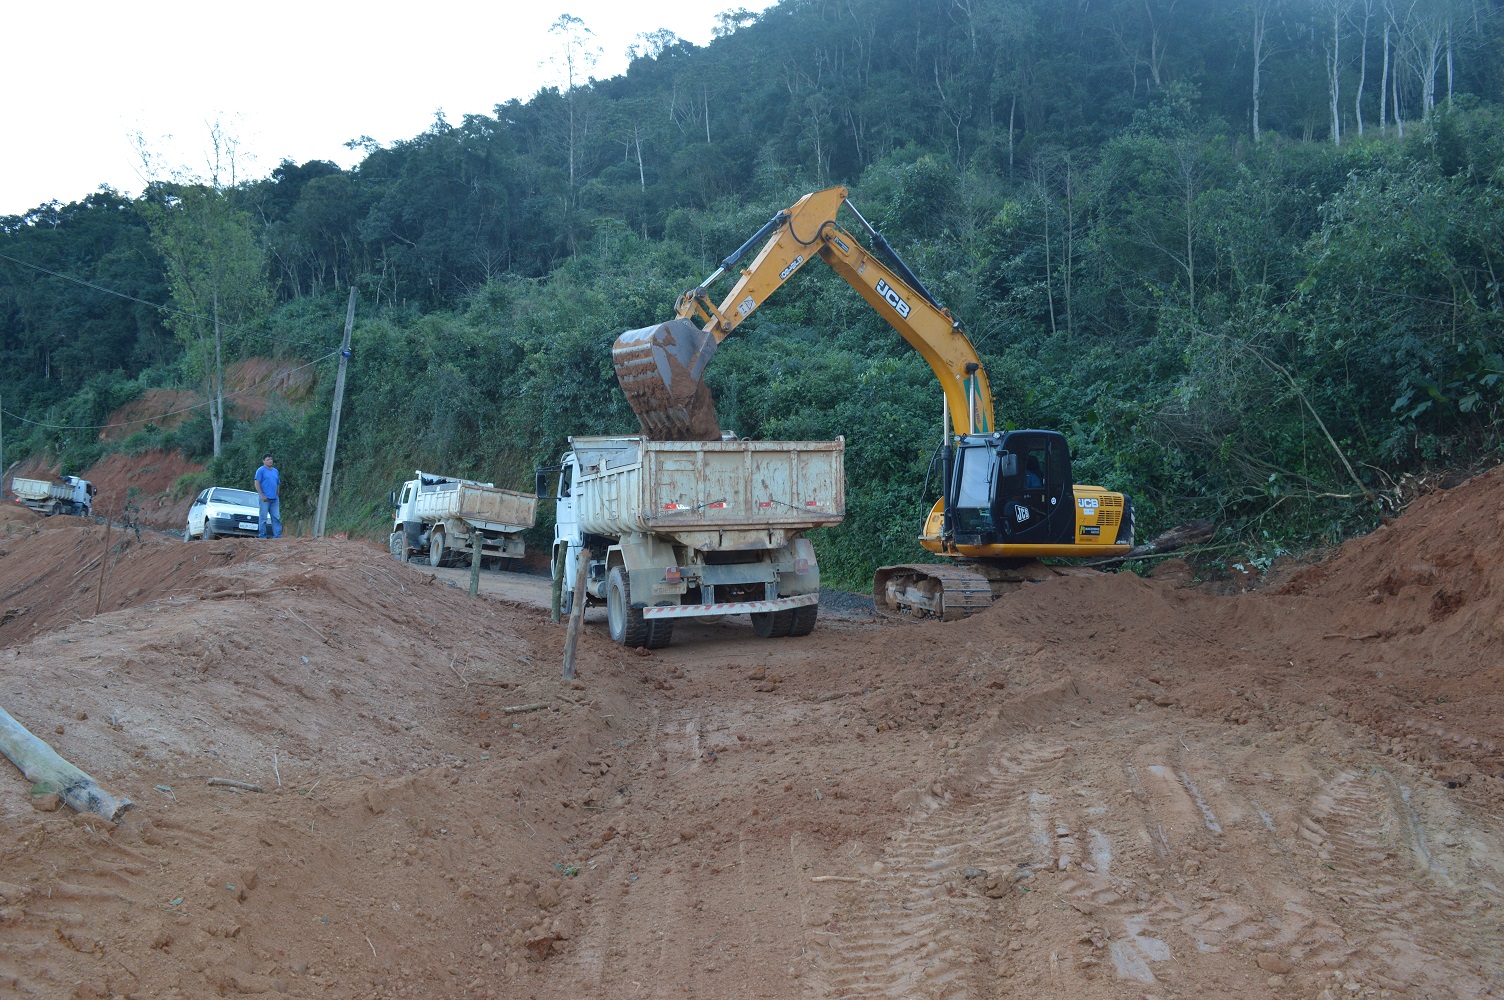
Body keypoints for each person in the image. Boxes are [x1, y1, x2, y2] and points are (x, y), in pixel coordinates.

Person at [255, 454, 283, 538]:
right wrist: (262, 495)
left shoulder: (275, 471)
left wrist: (277, 494)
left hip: (274, 499)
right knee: (263, 518)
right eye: (268, 459)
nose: (270, 461)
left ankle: (277, 536)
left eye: (271, 459)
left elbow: (278, 483)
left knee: (276, 518)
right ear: (264, 461)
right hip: (265, 498)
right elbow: (257, 483)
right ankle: (262, 536)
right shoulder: (260, 470)